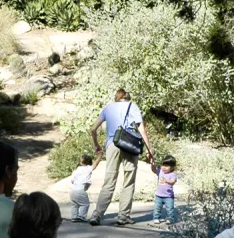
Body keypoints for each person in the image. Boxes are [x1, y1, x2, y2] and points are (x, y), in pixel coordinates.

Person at [86, 88, 153, 227]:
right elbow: (141, 130)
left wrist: (97, 146)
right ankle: (123, 216)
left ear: (117, 97)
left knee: (109, 180)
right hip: (129, 145)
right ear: (128, 97)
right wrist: (149, 150)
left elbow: (93, 129)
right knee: (128, 181)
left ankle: (97, 214)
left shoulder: (108, 108)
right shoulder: (132, 106)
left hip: (112, 144)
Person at [67, 153, 101, 223]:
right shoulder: (87, 168)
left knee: (75, 205)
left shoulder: (76, 170)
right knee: (85, 204)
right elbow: (95, 164)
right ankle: (81, 216)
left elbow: (72, 181)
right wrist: (99, 157)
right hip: (80, 190)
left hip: (73, 191)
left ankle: (74, 217)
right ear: (89, 162)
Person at [149, 155, 179, 225]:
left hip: (168, 196)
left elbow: (172, 182)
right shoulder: (160, 172)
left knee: (170, 209)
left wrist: (167, 181)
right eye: (163, 165)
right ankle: (156, 218)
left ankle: (170, 218)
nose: (164, 167)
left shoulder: (173, 174)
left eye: (167, 166)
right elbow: (153, 170)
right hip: (159, 195)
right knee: (157, 208)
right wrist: (152, 164)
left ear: (172, 167)